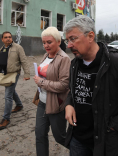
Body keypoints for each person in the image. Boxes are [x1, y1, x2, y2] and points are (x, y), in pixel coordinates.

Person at [63, 15, 118, 155]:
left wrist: (116, 126)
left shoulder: (117, 63)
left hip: (106, 141)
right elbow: (73, 90)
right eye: (67, 40)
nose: (69, 45)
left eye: (73, 39)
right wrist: (69, 104)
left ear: (90, 36)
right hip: (78, 139)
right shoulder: (75, 64)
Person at [32, 27, 71, 156]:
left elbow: (64, 85)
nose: (46, 46)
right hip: (42, 103)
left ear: (58, 41)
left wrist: (41, 82)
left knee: (60, 137)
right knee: (40, 134)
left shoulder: (64, 59)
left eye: (49, 42)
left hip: (56, 104)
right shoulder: (46, 55)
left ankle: (83, 151)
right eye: (44, 42)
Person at [0, 31, 30, 130]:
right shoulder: (2, 49)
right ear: (2, 39)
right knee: (11, 91)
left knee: (8, 95)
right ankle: (19, 105)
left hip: (14, 73)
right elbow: (3, 62)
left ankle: (6, 118)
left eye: (9, 37)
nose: (8, 38)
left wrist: (27, 74)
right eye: (6, 37)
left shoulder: (18, 48)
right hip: (5, 73)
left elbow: (24, 60)